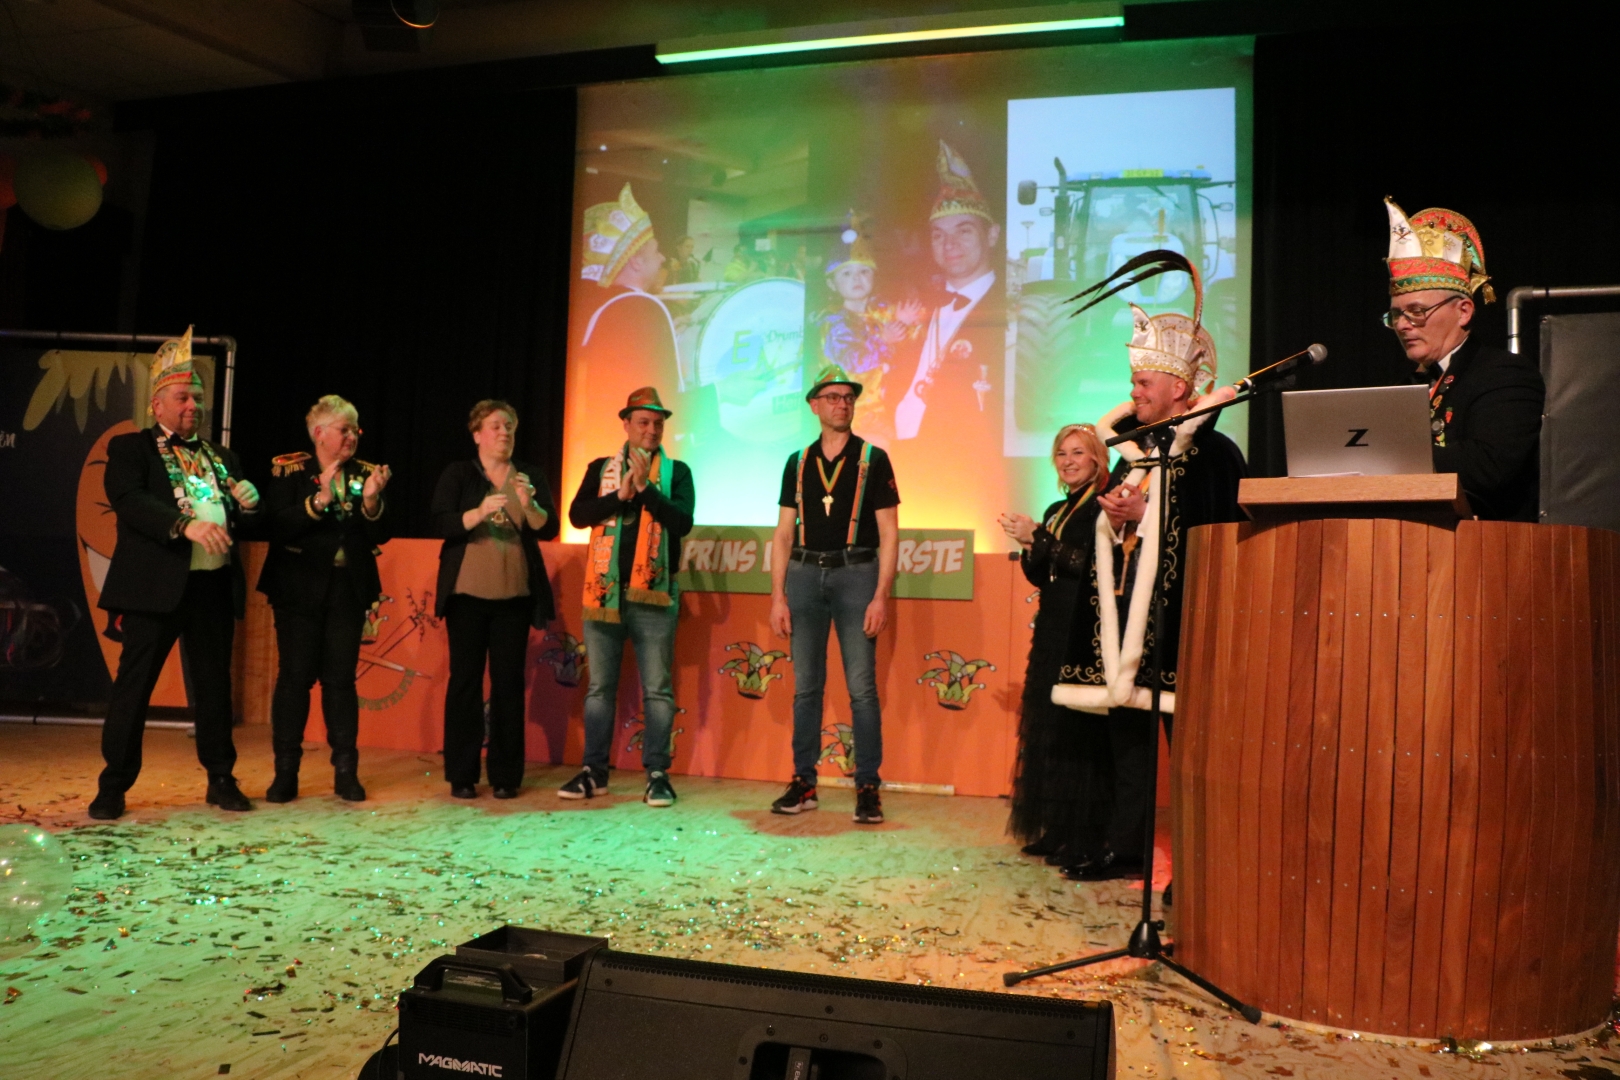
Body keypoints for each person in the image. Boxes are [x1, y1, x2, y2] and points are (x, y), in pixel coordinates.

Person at [1052, 252, 1247, 882]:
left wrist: (1149, 511)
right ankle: (1126, 846)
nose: (1132, 392)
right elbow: (1125, 530)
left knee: (1188, 752)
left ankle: (1201, 866)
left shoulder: (1214, 453)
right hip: (1128, 624)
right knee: (1128, 741)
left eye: (1143, 383)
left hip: (1182, 624)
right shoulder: (1135, 451)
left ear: (1180, 390)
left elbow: (1215, 532)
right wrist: (1118, 517)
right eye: (1133, 382)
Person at [89, 327, 261, 820]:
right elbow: (129, 501)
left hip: (211, 586)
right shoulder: (132, 449)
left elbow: (245, 521)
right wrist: (184, 525)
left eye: (198, 398)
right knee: (134, 687)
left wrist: (250, 504)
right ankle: (113, 785)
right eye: (183, 397)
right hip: (154, 588)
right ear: (157, 405)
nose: (193, 406)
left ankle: (221, 778)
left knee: (214, 689)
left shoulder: (221, 457)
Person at [768, 365, 900, 824]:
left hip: (856, 574)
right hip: (804, 574)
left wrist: (881, 595)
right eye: (833, 397)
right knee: (806, 687)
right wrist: (777, 596)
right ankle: (804, 782)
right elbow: (783, 533)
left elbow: (889, 532)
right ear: (814, 405)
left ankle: (867, 787)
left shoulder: (873, 458)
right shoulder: (797, 461)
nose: (842, 404)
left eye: (848, 397)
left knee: (861, 688)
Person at [562, 387, 696, 806]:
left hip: (653, 597)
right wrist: (619, 495)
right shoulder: (600, 468)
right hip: (604, 595)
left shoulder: (677, 473)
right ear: (626, 424)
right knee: (600, 688)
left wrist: (645, 489)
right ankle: (594, 772)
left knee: (657, 689)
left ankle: (657, 773)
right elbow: (577, 516)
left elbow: (682, 522)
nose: (651, 430)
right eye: (643, 422)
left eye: (658, 423)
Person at [256, 395, 392, 804]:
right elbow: (275, 524)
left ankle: (346, 772)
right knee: (295, 678)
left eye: (355, 429)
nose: (352, 437)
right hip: (298, 590)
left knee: (340, 680)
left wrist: (372, 501)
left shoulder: (365, 474)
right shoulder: (290, 470)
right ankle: (286, 773)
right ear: (319, 433)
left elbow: (381, 534)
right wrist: (318, 502)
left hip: (347, 590)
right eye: (343, 429)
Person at [1383, 197, 1543, 521]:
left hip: (1487, 541)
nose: (1402, 325)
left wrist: (1385, 459)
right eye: (1396, 314)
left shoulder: (1505, 374)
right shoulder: (1404, 387)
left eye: (1416, 311)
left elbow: (1489, 466)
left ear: (1464, 311)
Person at [998, 423, 1113, 868]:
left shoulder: (1102, 506)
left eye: (1078, 453)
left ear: (1097, 458)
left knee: (1077, 732)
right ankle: (1056, 828)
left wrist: (1041, 539)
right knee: (1047, 728)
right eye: (1062, 454)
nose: (1068, 461)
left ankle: (1085, 833)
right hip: (1050, 628)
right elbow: (1040, 575)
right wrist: (1029, 545)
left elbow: (1088, 567)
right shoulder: (1056, 509)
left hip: (1083, 630)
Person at [430, 400, 559, 799]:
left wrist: (530, 503)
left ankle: (505, 776)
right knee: (465, 683)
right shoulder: (459, 473)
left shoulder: (528, 476)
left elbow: (549, 528)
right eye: (496, 426)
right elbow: (440, 521)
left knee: (508, 685)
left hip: (514, 599)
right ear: (477, 434)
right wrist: (478, 512)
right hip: (466, 597)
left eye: (510, 427)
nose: (505, 432)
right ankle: (462, 774)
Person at [816, 214, 924, 448]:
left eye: (864, 271)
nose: (857, 278)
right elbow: (854, 361)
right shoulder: (834, 323)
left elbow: (909, 342)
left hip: (889, 405)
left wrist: (909, 321)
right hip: (854, 413)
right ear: (832, 283)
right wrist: (884, 339)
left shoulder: (881, 310)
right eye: (846, 273)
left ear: (874, 276)